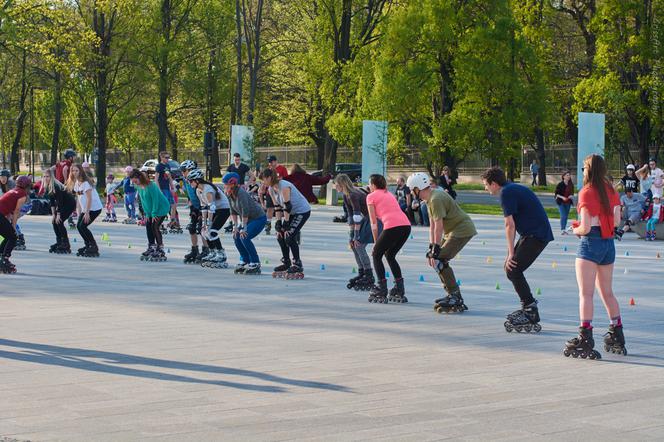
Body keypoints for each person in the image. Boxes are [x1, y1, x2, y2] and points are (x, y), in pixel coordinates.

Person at [564, 154, 626, 359]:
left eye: (584, 168)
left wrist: (575, 230)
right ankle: (617, 332)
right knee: (607, 292)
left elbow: (586, 226)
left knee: (586, 294)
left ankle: (585, 336)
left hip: (590, 243)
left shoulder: (586, 192)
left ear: (589, 169)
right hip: (608, 244)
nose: (582, 171)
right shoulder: (611, 190)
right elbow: (617, 221)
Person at [482, 166, 553, 333]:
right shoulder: (511, 188)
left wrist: (511, 254)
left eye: (486, 184)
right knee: (511, 268)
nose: (485, 188)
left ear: (493, 183)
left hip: (536, 235)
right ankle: (529, 306)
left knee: (513, 269)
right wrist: (510, 254)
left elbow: (509, 225)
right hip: (533, 234)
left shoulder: (506, 193)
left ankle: (530, 310)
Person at [407, 172, 477, 313]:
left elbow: (438, 226)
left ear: (417, 188)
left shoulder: (435, 199)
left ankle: (455, 296)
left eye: (411, 189)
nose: (411, 192)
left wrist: (436, 249)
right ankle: (452, 294)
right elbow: (432, 226)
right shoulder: (430, 198)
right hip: (453, 231)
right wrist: (432, 246)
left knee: (440, 260)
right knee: (437, 259)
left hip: (461, 230)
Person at [366, 174, 411, 304]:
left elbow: (373, 223)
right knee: (390, 255)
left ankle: (381, 288)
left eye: (370, 184)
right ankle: (399, 288)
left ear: (373, 185)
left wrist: (375, 243)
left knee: (376, 255)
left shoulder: (371, 196)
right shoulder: (389, 194)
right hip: (406, 226)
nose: (369, 187)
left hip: (393, 226)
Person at [261, 167, 311, 279]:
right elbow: (277, 207)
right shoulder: (270, 189)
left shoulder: (283, 186)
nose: (263, 182)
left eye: (264, 179)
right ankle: (286, 262)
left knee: (289, 236)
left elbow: (287, 206)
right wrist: (278, 223)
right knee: (280, 235)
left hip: (302, 211)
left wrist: (286, 224)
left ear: (269, 178)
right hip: (291, 212)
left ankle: (297, 263)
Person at [334, 173, 375, 291]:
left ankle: (369, 274)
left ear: (342, 184)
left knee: (359, 245)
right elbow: (350, 215)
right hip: (363, 220)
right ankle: (361, 271)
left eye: (336, 184)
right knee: (353, 245)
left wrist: (356, 236)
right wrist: (351, 235)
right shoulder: (346, 195)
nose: (335, 186)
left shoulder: (353, 194)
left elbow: (357, 215)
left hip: (370, 220)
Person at [223, 172, 266, 275]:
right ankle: (245, 259)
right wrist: (235, 227)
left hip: (258, 218)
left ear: (233, 184)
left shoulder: (241, 193)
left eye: (226, 185)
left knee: (244, 236)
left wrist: (244, 228)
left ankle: (255, 262)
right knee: (236, 236)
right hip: (247, 219)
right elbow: (232, 211)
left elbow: (245, 212)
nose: (225, 187)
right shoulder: (229, 194)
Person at [187, 169, 231, 269]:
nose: (189, 184)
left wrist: (209, 223)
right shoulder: (198, 190)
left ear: (197, 180)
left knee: (212, 231)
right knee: (203, 231)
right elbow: (203, 207)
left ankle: (221, 253)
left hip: (224, 209)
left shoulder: (207, 189)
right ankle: (212, 252)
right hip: (215, 209)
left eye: (191, 181)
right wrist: (204, 223)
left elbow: (212, 207)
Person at [130, 170, 171, 262]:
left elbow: (155, 200)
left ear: (140, 178)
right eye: (133, 182)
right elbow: (144, 201)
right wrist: (147, 214)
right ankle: (152, 246)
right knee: (148, 225)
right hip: (151, 210)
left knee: (155, 226)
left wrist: (154, 213)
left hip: (161, 207)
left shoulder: (151, 185)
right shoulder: (138, 186)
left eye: (135, 181)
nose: (134, 183)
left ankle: (160, 249)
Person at [66, 164, 103, 257]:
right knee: (79, 226)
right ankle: (88, 245)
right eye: (73, 171)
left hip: (94, 208)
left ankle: (93, 246)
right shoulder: (77, 184)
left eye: (76, 171)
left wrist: (87, 213)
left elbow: (89, 199)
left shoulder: (86, 183)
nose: (74, 173)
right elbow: (78, 199)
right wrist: (79, 213)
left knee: (83, 226)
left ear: (81, 171)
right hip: (85, 209)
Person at [179, 160, 209, 264]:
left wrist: (202, 212)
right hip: (194, 206)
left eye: (184, 170)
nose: (182, 172)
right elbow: (189, 193)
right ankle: (194, 250)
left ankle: (206, 249)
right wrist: (191, 205)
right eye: (182, 170)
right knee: (192, 228)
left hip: (203, 205)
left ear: (190, 169)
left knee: (202, 228)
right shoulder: (185, 179)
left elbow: (202, 194)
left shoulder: (196, 179)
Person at [40, 168, 76, 254]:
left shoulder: (56, 186)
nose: (46, 178)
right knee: (54, 222)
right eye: (44, 176)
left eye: (47, 176)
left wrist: (58, 215)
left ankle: (65, 243)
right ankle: (59, 241)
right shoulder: (48, 186)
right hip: (62, 204)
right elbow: (52, 202)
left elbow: (60, 201)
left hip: (69, 204)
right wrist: (53, 215)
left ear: (51, 177)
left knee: (59, 221)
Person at [0, 175, 31, 274]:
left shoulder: (13, 190)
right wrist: (13, 226)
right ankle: (4, 258)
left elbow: (7, 207)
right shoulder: (22, 195)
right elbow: (16, 211)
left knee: (7, 236)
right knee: (13, 237)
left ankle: (2, 257)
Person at [155, 151, 179, 230]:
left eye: (168, 157)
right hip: (162, 189)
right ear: (161, 157)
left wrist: (172, 187)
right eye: (166, 157)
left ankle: (172, 220)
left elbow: (169, 177)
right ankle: (159, 223)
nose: (168, 159)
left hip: (167, 188)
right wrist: (159, 190)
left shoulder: (167, 166)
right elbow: (156, 179)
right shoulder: (159, 166)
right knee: (163, 206)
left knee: (173, 205)